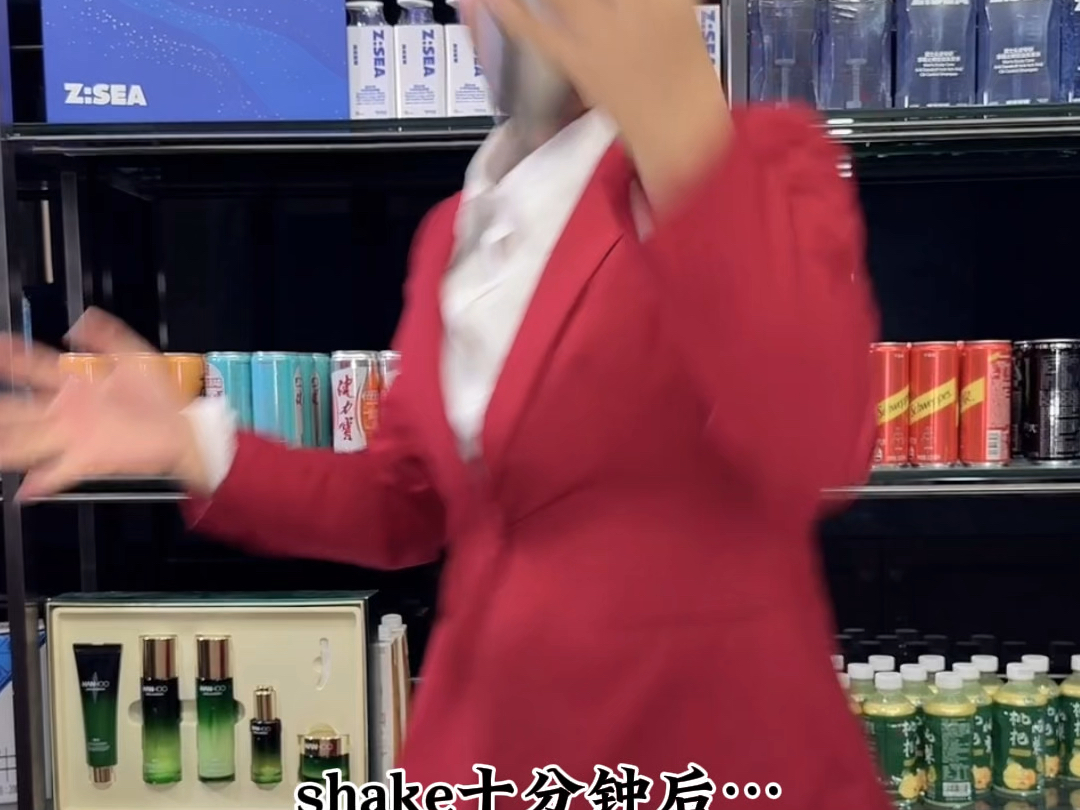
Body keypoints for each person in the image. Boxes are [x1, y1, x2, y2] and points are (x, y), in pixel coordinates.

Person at [0, 0, 886, 806]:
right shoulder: (453, 231)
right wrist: (192, 444)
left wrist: (677, 119)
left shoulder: (758, 163)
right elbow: (405, 503)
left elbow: (816, 441)